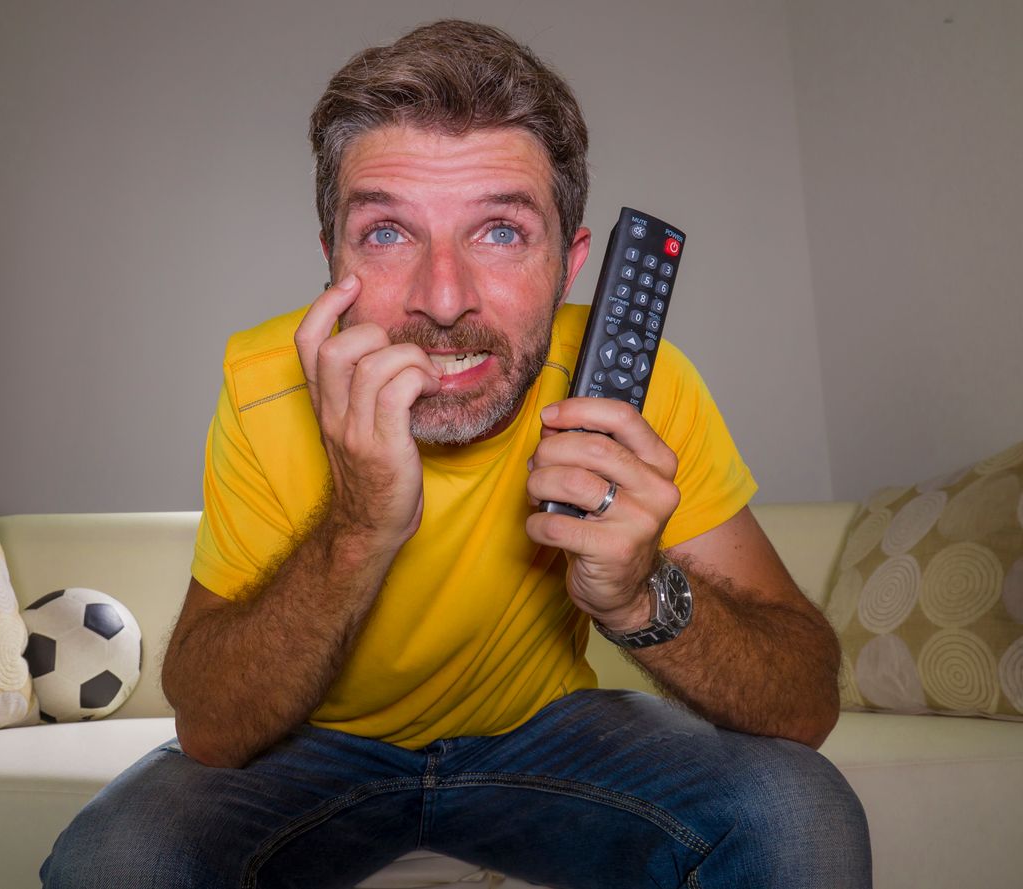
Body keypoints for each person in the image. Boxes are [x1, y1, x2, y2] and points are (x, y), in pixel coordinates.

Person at [42, 19, 871, 888]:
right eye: (389, 233)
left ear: (569, 262)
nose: (444, 300)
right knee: (116, 859)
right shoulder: (265, 383)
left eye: (502, 232)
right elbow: (211, 723)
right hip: (314, 750)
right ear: (332, 260)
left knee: (796, 809)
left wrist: (636, 597)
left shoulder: (634, 388)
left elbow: (804, 698)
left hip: (547, 733)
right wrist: (360, 525)